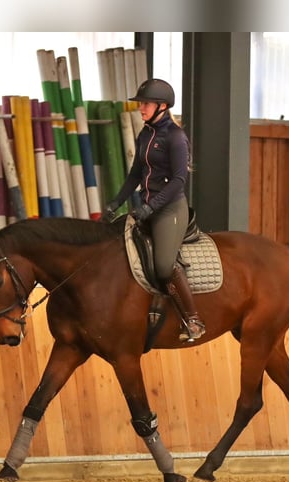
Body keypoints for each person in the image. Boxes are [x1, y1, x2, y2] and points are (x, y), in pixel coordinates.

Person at [100, 78, 205, 341]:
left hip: (169, 209)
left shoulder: (176, 137)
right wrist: (115, 202)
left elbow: (180, 180)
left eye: (145, 104)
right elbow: (136, 173)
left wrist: (150, 207)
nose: (140, 108)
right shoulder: (145, 134)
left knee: (163, 265)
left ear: (161, 106)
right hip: (146, 207)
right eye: (141, 104)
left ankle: (193, 320)